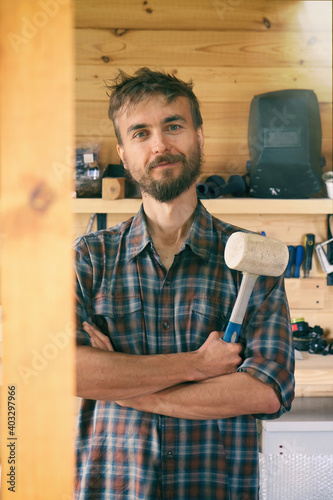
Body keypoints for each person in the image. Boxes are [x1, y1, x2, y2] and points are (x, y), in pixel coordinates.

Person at [74, 67, 295, 499]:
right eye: (141, 133)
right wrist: (197, 365)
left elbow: (266, 391)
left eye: (173, 125)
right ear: (123, 150)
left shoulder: (254, 262)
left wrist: (124, 388)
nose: (160, 144)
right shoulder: (89, 258)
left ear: (198, 136)